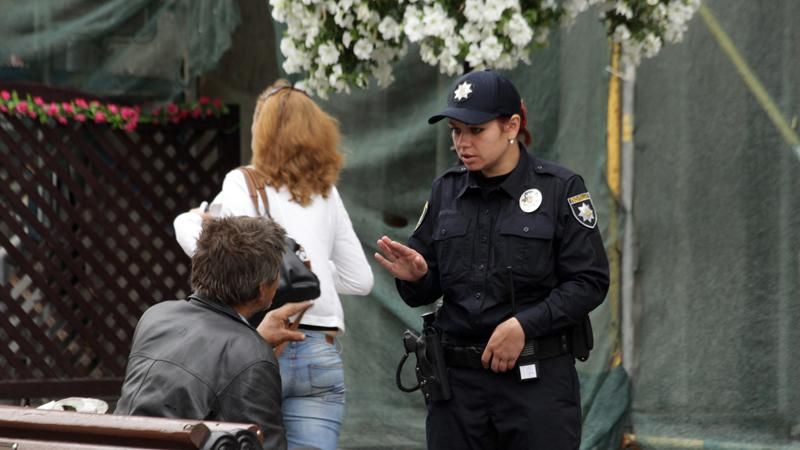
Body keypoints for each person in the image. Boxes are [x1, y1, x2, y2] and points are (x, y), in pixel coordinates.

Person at [374, 70, 610, 449]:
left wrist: (524, 325)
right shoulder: (446, 191)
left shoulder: (559, 189)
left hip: (535, 383)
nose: (462, 143)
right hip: (458, 391)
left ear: (511, 126)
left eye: (476, 130)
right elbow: (425, 288)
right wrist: (417, 276)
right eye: (455, 131)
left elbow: (589, 282)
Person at [173, 79, 374, 450]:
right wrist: (312, 272)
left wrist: (185, 221)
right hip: (320, 350)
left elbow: (219, 255)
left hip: (260, 344)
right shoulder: (326, 191)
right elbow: (360, 280)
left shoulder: (242, 181)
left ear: (262, 130)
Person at [115, 216, 313, 450]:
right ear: (262, 290)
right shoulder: (253, 355)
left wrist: (254, 342)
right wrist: (254, 347)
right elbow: (266, 444)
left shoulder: (156, 316)